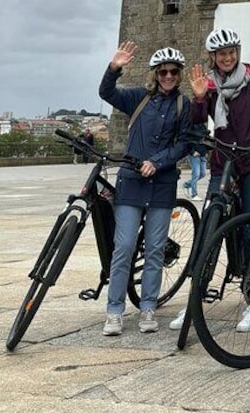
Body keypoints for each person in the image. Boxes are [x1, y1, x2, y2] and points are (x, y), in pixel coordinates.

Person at [182, 27, 250, 333]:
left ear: (237, 53)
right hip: (223, 162)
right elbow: (198, 124)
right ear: (213, 57)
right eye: (221, 54)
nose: (227, 58)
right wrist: (199, 99)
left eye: (231, 52)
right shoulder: (209, 86)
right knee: (210, 224)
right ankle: (193, 303)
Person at [99, 43, 191, 336]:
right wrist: (113, 69)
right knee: (123, 248)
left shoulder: (182, 105)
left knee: (154, 250)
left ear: (179, 75)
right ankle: (114, 311)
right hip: (132, 182)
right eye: (163, 71)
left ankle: (148, 306)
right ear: (155, 73)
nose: (168, 76)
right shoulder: (138, 97)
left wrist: (158, 161)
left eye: (173, 72)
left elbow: (183, 144)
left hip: (162, 184)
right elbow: (107, 93)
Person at [182, 122, 208, 201]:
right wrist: (192, 152)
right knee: (196, 174)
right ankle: (194, 194)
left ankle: (187, 184)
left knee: (203, 174)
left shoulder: (202, 126)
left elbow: (204, 139)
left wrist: (205, 151)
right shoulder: (190, 125)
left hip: (202, 153)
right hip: (194, 154)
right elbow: (186, 140)